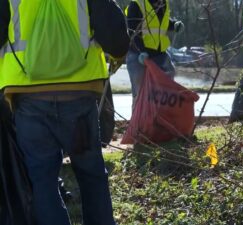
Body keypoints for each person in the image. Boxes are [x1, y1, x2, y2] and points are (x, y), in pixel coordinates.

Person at [0, 1, 129, 225]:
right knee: (92, 177)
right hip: (79, 95)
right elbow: (116, 41)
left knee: (43, 182)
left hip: (28, 98)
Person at [125, 0, 184, 105]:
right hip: (138, 57)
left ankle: (162, 119)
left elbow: (160, 22)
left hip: (159, 55)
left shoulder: (163, 3)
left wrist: (173, 25)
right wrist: (141, 51)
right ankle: (140, 120)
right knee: (140, 94)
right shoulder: (136, 4)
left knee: (167, 92)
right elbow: (132, 32)